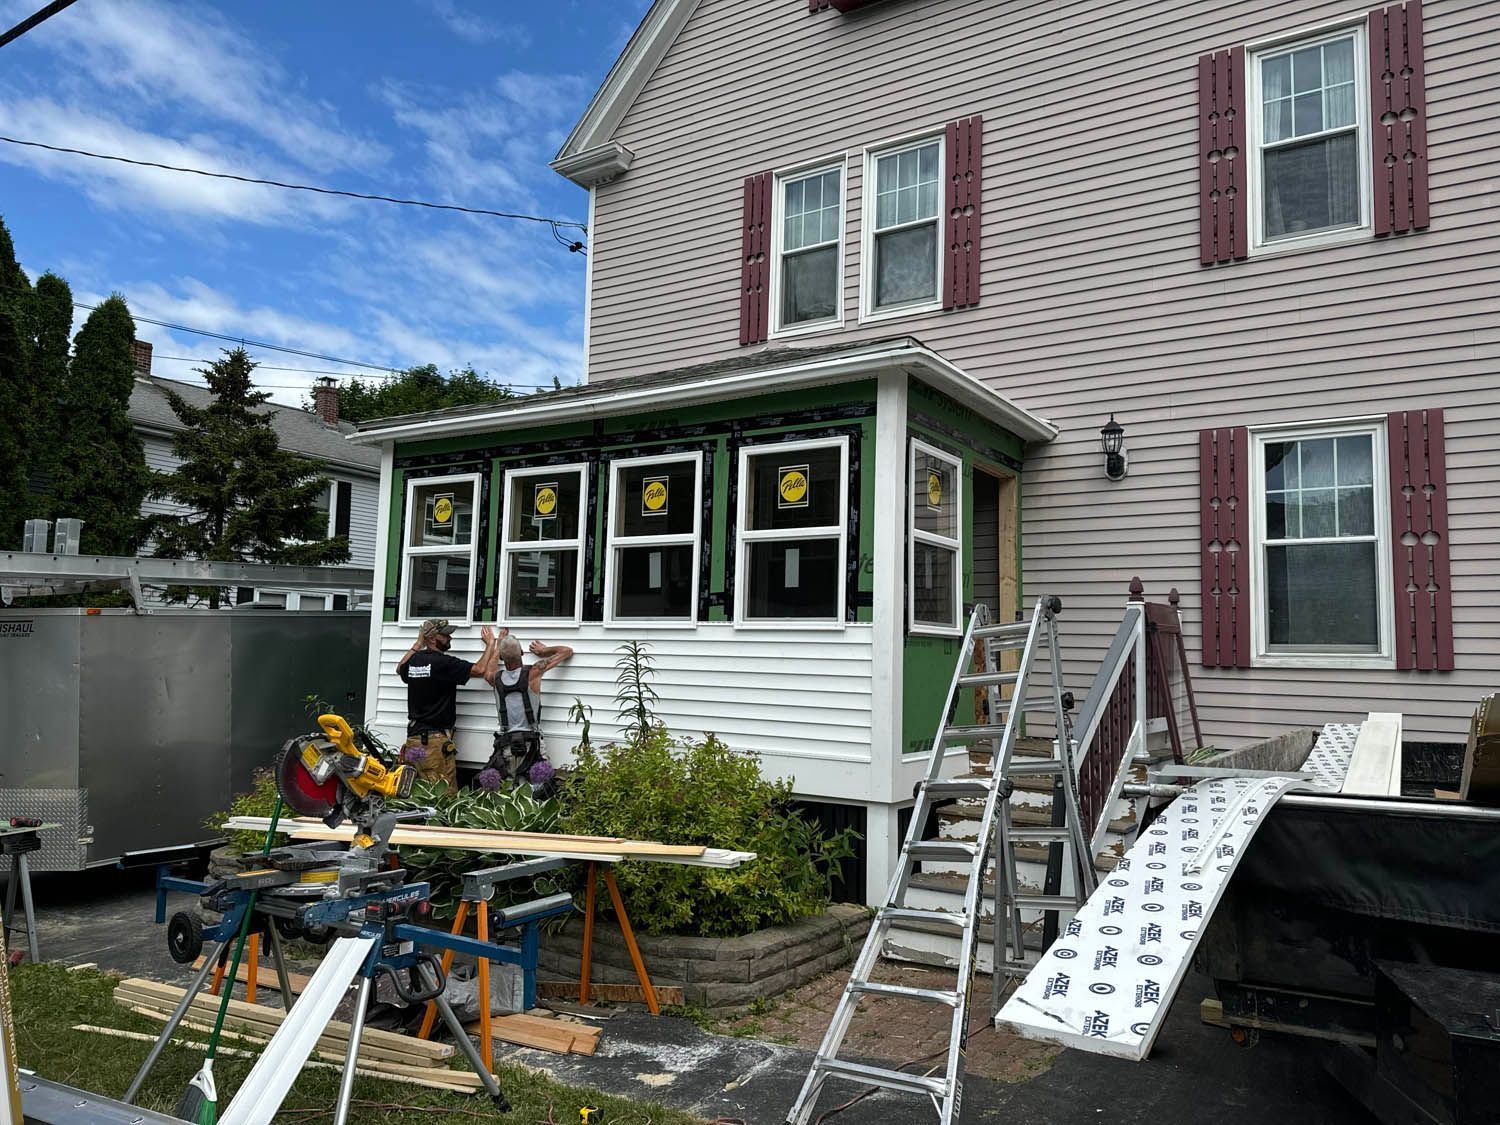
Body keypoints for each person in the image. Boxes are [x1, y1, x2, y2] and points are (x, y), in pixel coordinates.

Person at [395, 618, 491, 792]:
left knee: (418, 792)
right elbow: (480, 669)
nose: (449, 639)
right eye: (445, 635)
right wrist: (491, 644)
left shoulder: (414, 661)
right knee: (442, 793)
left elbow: (399, 668)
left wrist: (418, 643)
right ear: (432, 639)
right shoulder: (442, 663)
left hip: (414, 739)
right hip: (434, 743)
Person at [478, 628, 573, 786]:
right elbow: (567, 651)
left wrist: (499, 642)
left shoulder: (494, 678)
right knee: (538, 793)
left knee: (509, 793)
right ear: (522, 653)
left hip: (505, 748)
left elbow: (490, 668)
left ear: (502, 657)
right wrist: (544, 650)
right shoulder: (533, 673)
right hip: (532, 748)